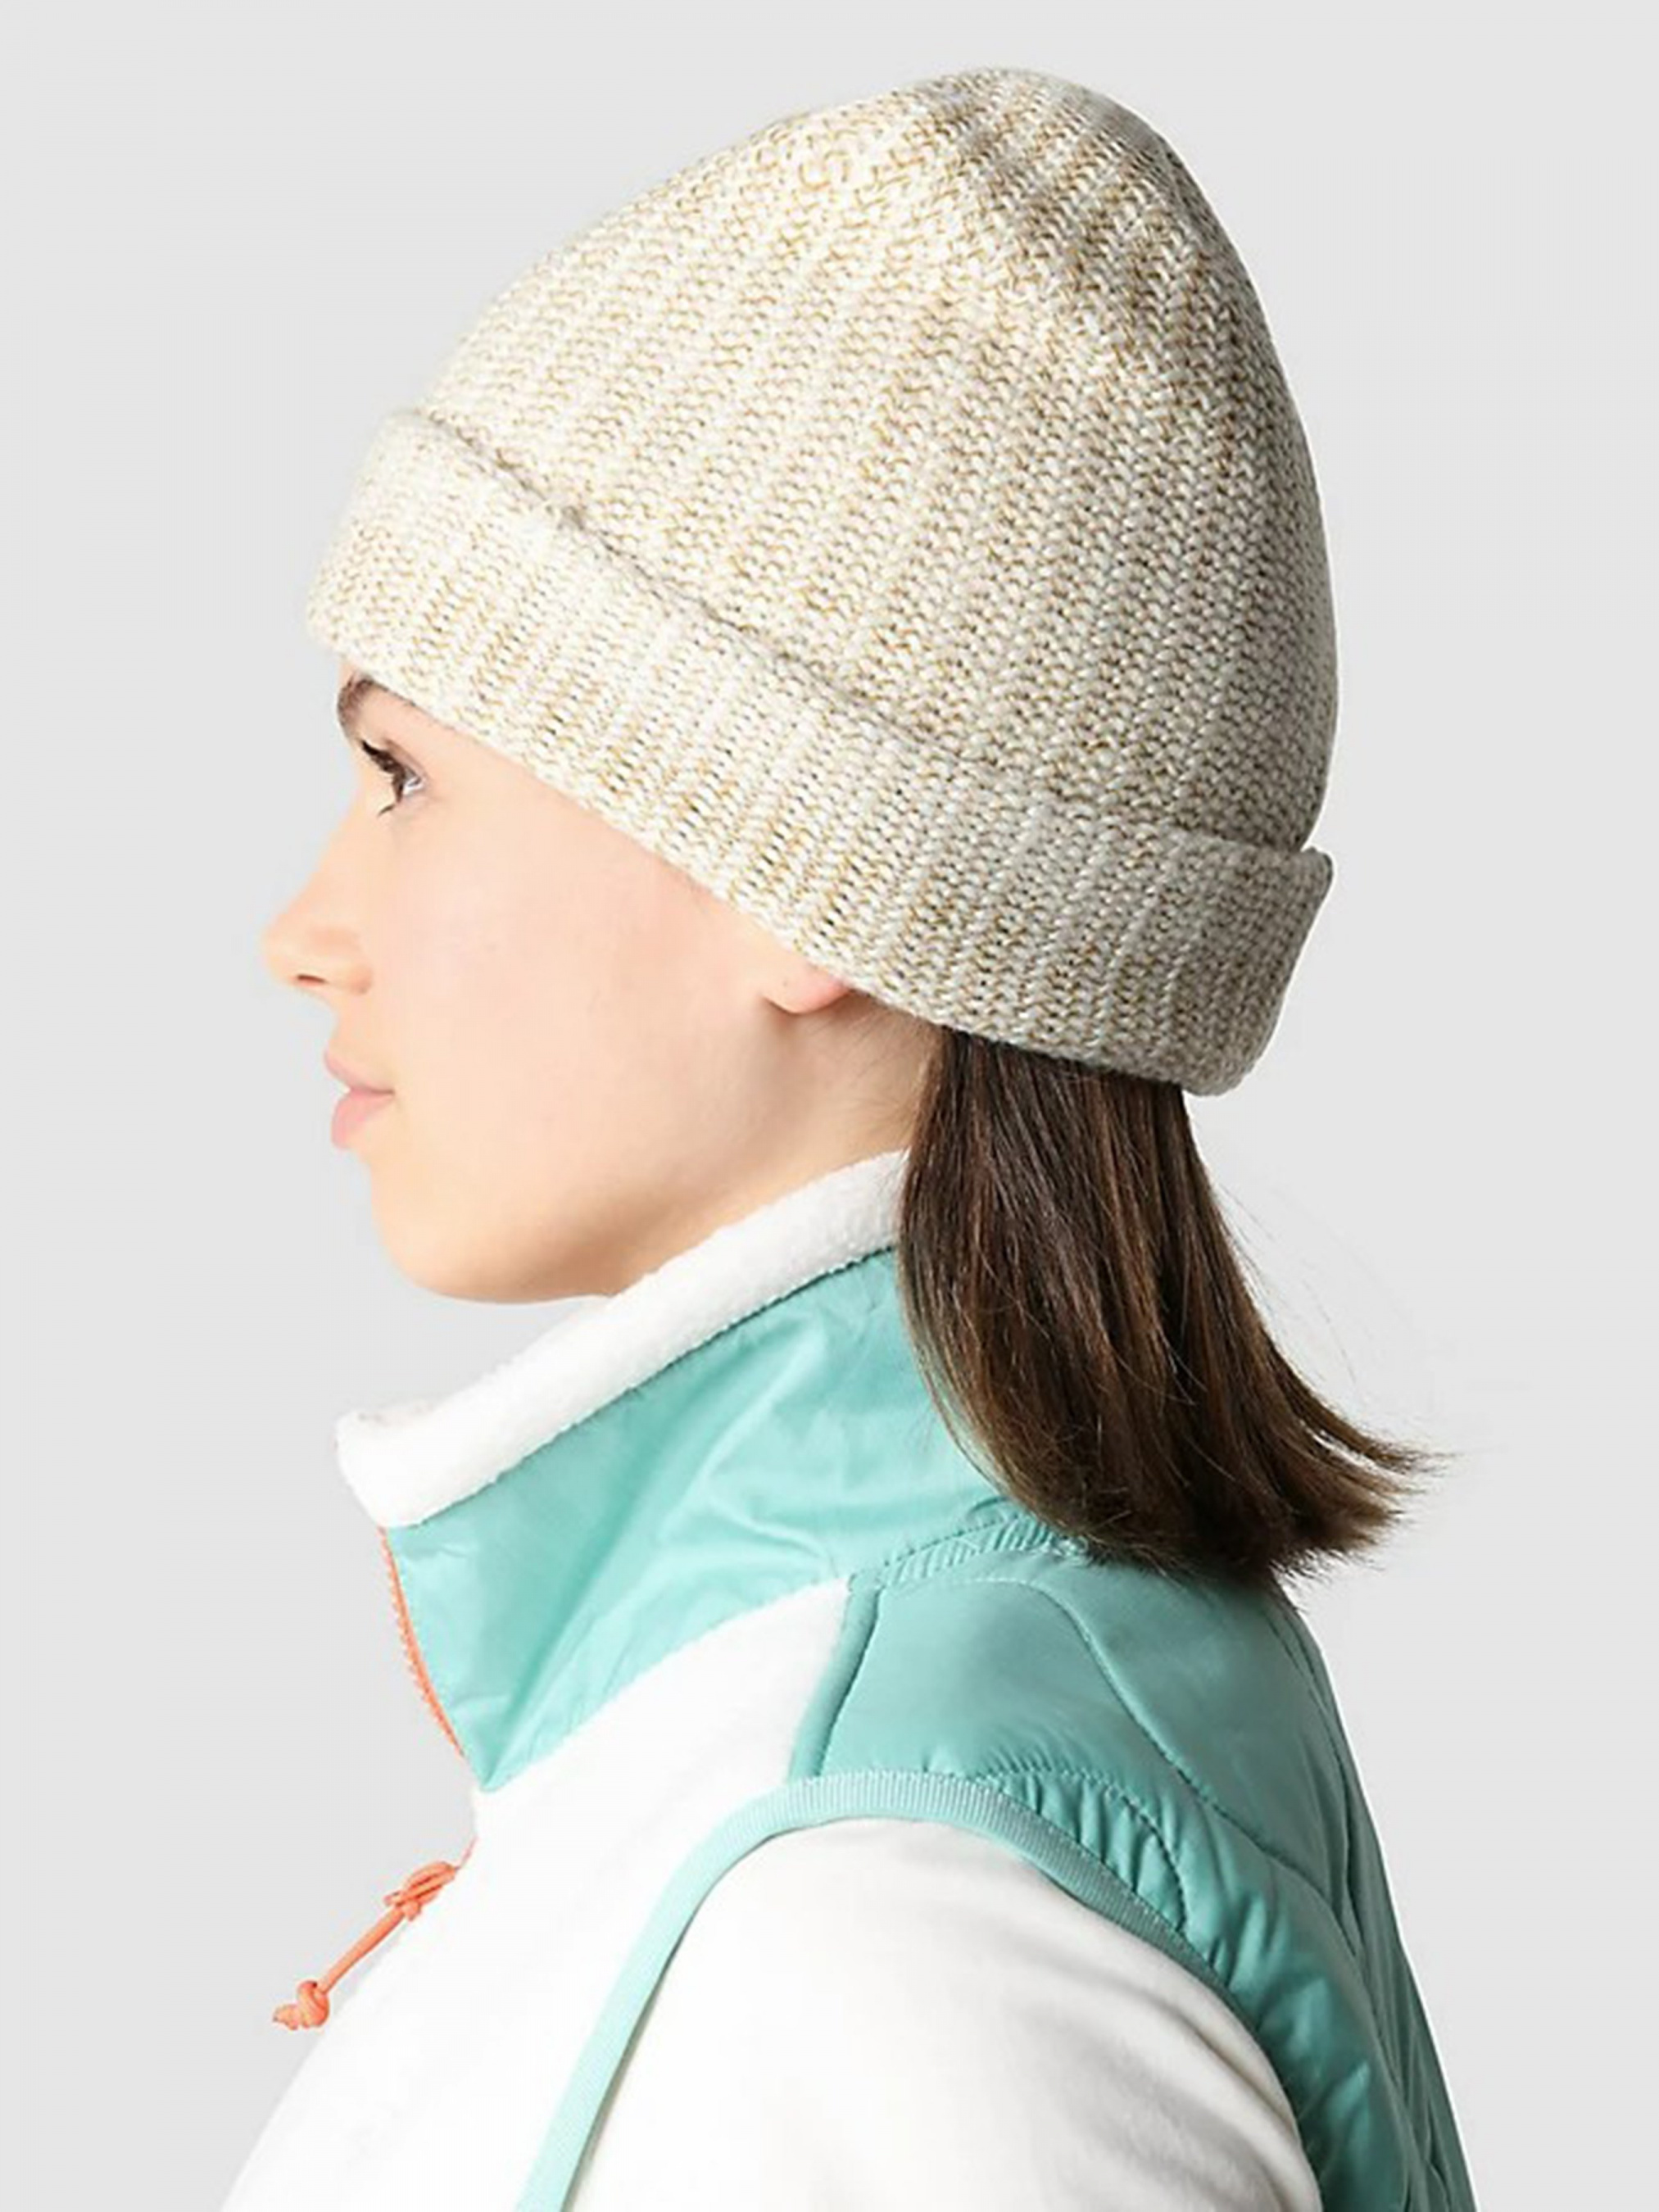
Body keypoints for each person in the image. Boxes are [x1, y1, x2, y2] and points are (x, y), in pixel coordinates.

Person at [230, 65, 1478, 2211]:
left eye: (404, 775)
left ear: (805, 879)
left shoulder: (880, 1930)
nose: (303, 930)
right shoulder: (881, 1758)